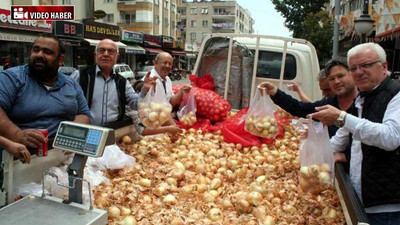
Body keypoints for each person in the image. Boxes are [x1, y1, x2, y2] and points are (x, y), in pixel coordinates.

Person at [310, 43, 400, 225]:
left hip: (388, 206)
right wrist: (313, 152)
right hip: (361, 199)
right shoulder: (363, 97)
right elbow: (341, 138)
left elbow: (391, 137)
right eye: (354, 68)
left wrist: (341, 117)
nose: (359, 72)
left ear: (384, 66)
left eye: (366, 65)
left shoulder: (395, 94)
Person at [0, 33, 90, 150]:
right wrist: (17, 135)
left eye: (47, 52)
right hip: (19, 156)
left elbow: (84, 114)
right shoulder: (11, 78)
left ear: (60, 59)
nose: (39, 55)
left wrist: (72, 134)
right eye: (36, 50)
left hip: (60, 154)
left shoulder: (70, 84)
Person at [259, 58, 358, 137]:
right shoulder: (328, 104)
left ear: (352, 75)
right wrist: (275, 92)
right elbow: (300, 108)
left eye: (340, 76)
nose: (336, 81)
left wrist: (344, 155)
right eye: (332, 79)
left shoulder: (364, 102)